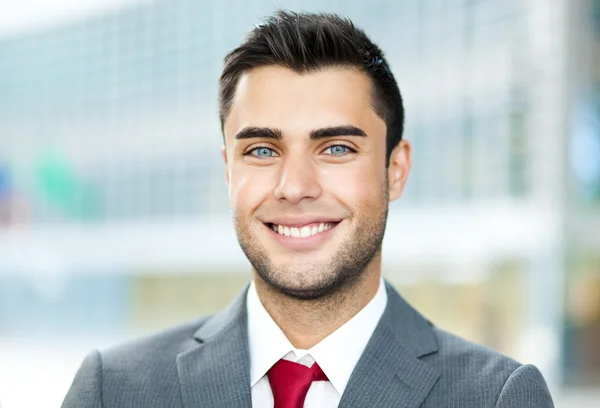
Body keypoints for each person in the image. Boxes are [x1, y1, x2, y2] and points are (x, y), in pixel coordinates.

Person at [62, 10, 554, 408]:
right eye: (261, 150)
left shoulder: (496, 398)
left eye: (336, 148)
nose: (294, 187)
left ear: (395, 169)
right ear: (228, 171)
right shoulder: (114, 389)